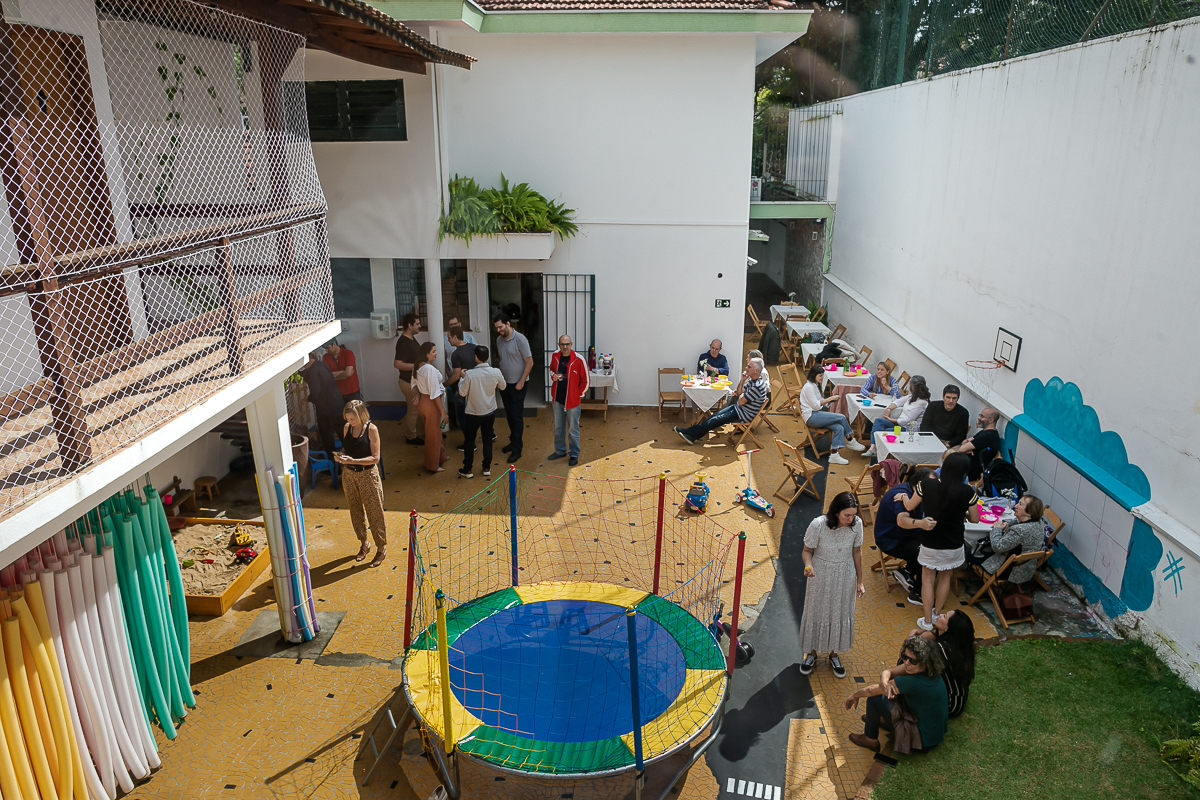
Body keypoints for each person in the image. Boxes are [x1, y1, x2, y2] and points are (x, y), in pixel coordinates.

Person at [897, 452, 980, 632]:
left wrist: (903, 497)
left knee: (927, 580)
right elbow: (975, 519)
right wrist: (963, 513)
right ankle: (936, 613)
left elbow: (910, 506)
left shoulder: (925, 485)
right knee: (945, 578)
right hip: (954, 542)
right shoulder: (968, 492)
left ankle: (927, 621)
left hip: (931, 540)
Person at [797, 492, 866, 679]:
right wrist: (808, 565)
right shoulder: (817, 525)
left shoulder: (857, 524)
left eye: (854, 514)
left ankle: (834, 654)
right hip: (820, 575)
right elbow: (806, 551)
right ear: (836, 511)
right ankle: (811, 653)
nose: (851, 519)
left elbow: (857, 552)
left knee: (841, 612)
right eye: (847, 515)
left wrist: (860, 581)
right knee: (815, 611)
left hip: (845, 575)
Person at [845, 635, 947, 753]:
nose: (906, 663)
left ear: (924, 661)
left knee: (876, 699)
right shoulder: (930, 670)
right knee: (888, 692)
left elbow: (871, 691)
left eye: (912, 660)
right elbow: (889, 671)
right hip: (931, 734)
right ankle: (879, 719)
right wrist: (884, 682)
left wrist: (855, 695)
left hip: (919, 742)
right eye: (905, 657)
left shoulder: (913, 682)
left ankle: (870, 740)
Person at [874, 467, 938, 606]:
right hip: (891, 540)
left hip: (906, 534)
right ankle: (918, 594)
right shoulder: (900, 495)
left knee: (934, 542)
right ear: (921, 484)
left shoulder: (914, 494)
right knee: (929, 552)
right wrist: (921, 523)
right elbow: (901, 521)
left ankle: (907, 571)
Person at [333, 401, 386, 567]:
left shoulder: (371, 429)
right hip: (349, 475)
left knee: (374, 510)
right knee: (355, 509)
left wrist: (354, 461)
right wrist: (341, 456)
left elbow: (376, 458)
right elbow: (347, 448)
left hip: (367, 475)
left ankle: (381, 547)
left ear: (361, 415)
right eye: (347, 418)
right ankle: (364, 543)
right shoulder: (347, 428)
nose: (350, 421)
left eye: (352, 418)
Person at [674, 358, 768, 444]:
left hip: (743, 415)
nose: (746, 368)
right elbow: (739, 393)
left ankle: (691, 435)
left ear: (756, 371)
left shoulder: (757, 386)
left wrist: (741, 395)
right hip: (739, 409)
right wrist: (742, 380)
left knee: (715, 420)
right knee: (714, 416)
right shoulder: (752, 381)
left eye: (749, 367)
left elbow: (740, 401)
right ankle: (690, 432)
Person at [912, 609, 976, 717]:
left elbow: (911, 651)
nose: (940, 615)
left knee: (909, 668)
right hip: (957, 700)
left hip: (948, 705)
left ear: (947, 629)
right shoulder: (959, 644)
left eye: (945, 616)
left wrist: (912, 633)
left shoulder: (942, 649)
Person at [799, 364, 865, 466]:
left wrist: (831, 400)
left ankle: (834, 455)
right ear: (814, 375)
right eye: (820, 376)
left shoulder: (814, 385)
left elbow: (820, 401)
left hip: (816, 414)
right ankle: (850, 440)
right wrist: (830, 399)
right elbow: (816, 406)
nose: (822, 378)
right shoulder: (809, 387)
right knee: (841, 417)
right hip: (811, 416)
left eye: (822, 375)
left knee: (838, 427)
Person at [457, 345, 506, 479]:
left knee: (469, 441)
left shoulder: (469, 375)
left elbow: (462, 392)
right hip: (489, 411)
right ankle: (486, 467)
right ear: (488, 357)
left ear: (476, 358)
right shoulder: (496, 372)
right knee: (487, 440)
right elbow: (503, 386)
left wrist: (462, 377)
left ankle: (467, 469)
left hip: (473, 413)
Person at [975, 495, 1046, 584]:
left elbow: (997, 547)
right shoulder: (1038, 522)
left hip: (1009, 570)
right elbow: (1017, 520)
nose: (1015, 506)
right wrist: (1006, 522)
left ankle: (976, 583)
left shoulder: (1019, 530)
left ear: (1029, 512)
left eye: (1020, 504)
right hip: (1026, 569)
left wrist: (997, 529)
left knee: (974, 554)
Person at [494, 313, 533, 463]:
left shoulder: (520, 339)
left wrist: (521, 382)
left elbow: (529, 362)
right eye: (496, 328)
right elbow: (502, 359)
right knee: (509, 414)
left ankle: (517, 449)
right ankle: (513, 441)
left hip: (518, 384)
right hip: (505, 384)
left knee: (516, 416)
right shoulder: (499, 340)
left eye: (501, 327)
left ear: (508, 324)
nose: (498, 330)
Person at [864, 376, 931, 458]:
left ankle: (875, 454)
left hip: (907, 429)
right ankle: (873, 447)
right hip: (899, 424)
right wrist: (889, 409)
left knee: (881, 433)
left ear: (912, 387)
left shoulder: (921, 402)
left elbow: (908, 420)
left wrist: (891, 420)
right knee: (878, 421)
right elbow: (898, 401)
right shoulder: (912, 397)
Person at [548, 334, 589, 466]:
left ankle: (574, 454)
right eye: (562, 344)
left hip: (572, 402)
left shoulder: (579, 359)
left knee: (573, 429)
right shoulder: (555, 356)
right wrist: (553, 376)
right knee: (558, 427)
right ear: (558, 345)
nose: (564, 347)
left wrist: (578, 394)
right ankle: (560, 450)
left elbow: (586, 380)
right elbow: (551, 370)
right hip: (558, 399)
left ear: (571, 344)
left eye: (567, 344)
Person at [413, 342, 449, 473]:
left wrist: (417, 394)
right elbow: (434, 394)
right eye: (434, 351)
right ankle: (432, 465)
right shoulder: (429, 370)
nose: (436, 353)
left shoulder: (419, 366)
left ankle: (441, 457)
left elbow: (413, 383)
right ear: (426, 354)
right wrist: (443, 412)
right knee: (432, 435)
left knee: (435, 432)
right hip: (431, 404)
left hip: (423, 401)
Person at [299, 352, 345, 455]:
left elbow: (315, 393)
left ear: (307, 359)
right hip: (338, 406)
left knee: (328, 439)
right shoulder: (322, 365)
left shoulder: (314, 372)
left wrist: (307, 399)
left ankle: (333, 466)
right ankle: (350, 460)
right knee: (343, 435)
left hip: (326, 411)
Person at [393, 312, 425, 445]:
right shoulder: (403, 342)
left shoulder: (411, 338)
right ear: (409, 325)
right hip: (408, 383)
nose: (419, 326)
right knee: (413, 411)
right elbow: (397, 364)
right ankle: (410, 437)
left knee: (420, 408)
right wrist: (416, 366)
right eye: (417, 324)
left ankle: (427, 432)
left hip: (415, 381)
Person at [445, 326, 476, 431]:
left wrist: (443, 384)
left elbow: (456, 376)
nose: (448, 340)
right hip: (475, 386)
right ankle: (490, 433)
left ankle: (468, 440)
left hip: (463, 388)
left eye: (449, 338)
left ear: (455, 337)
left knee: (462, 415)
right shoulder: (473, 347)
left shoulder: (456, 354)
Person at [959, 407, 1001, 481]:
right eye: (980, 415)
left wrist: (966, 447)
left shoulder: (988, 436)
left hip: (969, 472)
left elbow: (961, 449)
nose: (979, 418)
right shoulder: (984, 432)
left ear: (991, 420)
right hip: (965, 466)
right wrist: (967, 445)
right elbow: (963, 444)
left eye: (982, 416)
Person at [322, 339, 362, 404]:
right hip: (336, 393)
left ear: (334, 344)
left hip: (352, 391)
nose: (326, 350)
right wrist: (343, 372)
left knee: (356, 413)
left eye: (328, 348)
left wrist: (332, 377)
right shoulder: (325, 357)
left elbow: (348, 373)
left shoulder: (348, 353)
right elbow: (326, 375)